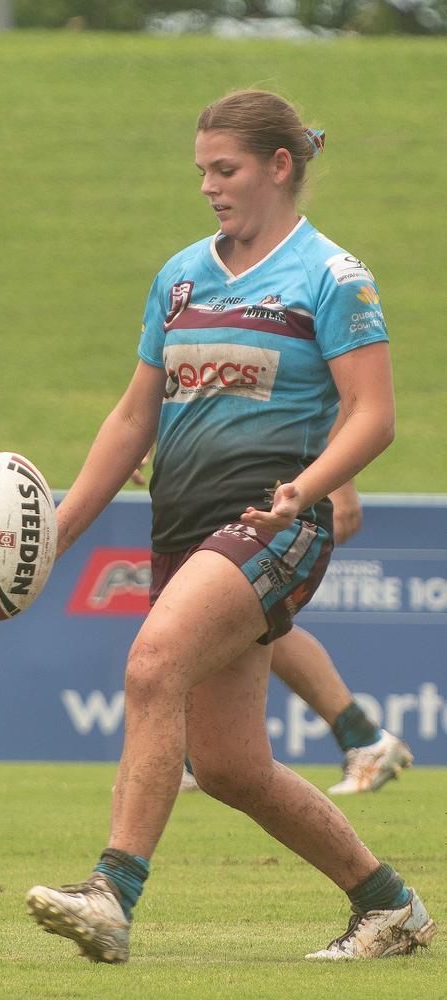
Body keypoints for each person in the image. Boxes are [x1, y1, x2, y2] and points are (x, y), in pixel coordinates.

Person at [26, 90, 436, 963]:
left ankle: (112, 893)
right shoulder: (179, 276)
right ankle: (390, 908)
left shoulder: (332, 276)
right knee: (230, 766)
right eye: (203, 171)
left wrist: (308, 490)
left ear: (279, 167)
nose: (209, 186)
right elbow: (133, 419)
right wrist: (60, 530)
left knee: (153, 660)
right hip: (181, 530)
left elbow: (374, 415)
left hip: (273, 525)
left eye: (227, 169)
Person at [176, 478, 413, 794]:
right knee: (223, 619)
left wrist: (335, 495)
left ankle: (364, 738)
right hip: (218, 503)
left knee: (232, 615)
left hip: (274, 511)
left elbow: (346, 500)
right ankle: (198, 756)